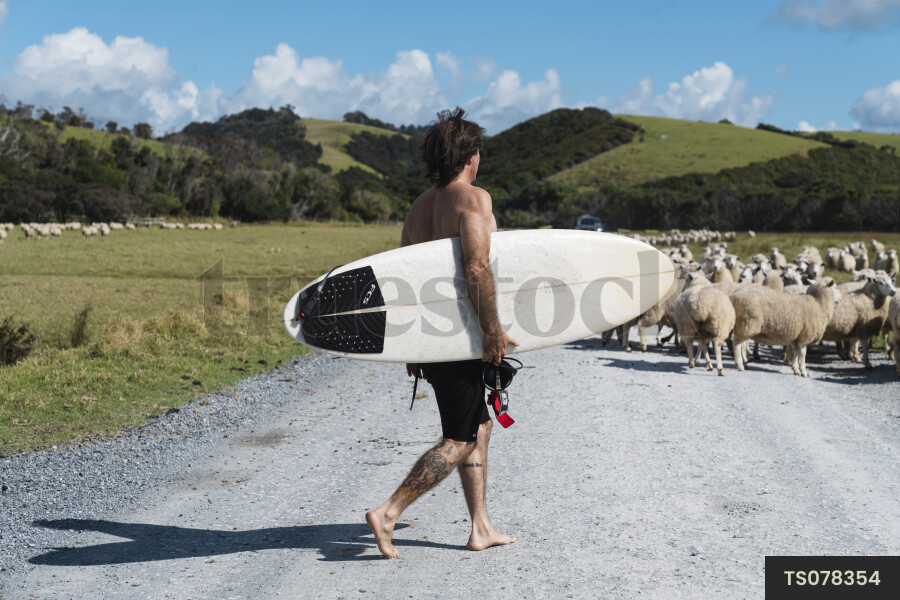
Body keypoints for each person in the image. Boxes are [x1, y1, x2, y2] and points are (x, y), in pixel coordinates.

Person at [365, 108, 519, 559]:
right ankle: (389, 511)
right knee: (460, 437)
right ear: (469, 155)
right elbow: (476, 266)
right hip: (462, 334)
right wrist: (493, 330)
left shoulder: (418, 208)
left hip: (433, 336)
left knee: (479, 425)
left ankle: (480, 526)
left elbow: (405, 282)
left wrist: (412, 344)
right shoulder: (472, 199)